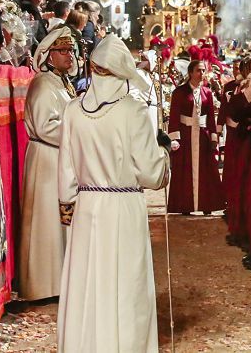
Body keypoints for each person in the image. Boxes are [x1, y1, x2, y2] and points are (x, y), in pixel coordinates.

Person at [57, 35, 171, 353]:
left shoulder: (72, 110)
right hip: (123, 205)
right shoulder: (132, 111)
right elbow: (151, 174)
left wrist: (69, 210)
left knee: (87, 281)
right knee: (124, 283)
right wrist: (164, 154)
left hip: (87, 207)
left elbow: (66, 172)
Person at [18, 27, 78, 301]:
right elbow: (44, 127)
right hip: (46, 158)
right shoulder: (43, 84)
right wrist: (77, 135)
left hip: (57, 157)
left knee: (57, 222)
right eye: (63, 51)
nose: (69, 56)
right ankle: (42, 284)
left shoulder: (61, 84)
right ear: (49, 56)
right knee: (46, 221)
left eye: (70, 50)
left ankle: (57, 281)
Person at [167, 59, 226, 215]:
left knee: (206, 171)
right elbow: (174, 117)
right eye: (199, 70)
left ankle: (207, 204)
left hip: (203, 136)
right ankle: (185, 205)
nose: (202, 74)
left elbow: (211, 118)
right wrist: (174, 139)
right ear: (191, 72)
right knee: (184, 170)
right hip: (185, 137)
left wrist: (214, 139)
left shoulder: (207, 92)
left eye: (203, 70)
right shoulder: (179, 92)